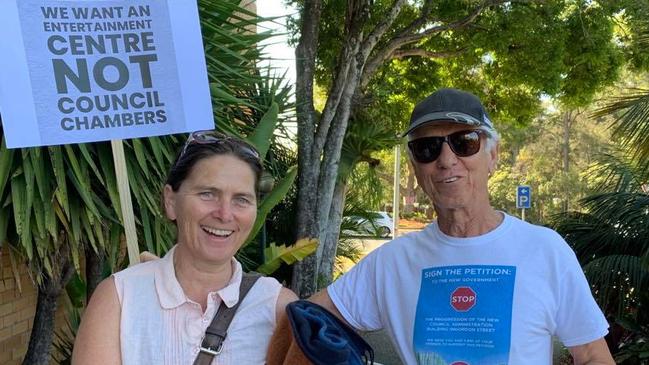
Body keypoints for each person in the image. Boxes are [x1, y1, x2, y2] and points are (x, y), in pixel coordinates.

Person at [311, 88, 615, 364]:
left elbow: (592, 355)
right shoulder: (390, 263)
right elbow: (307, 319)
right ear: (415, 167)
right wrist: (269, 293)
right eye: (427, 148)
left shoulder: (545, 249)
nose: (446, 160)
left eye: (464, 142)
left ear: (492, 156)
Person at [72, 131, 297, 364]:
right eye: (208, 194)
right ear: (171, 201)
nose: (225, 214)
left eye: (241, 199)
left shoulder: (277, 307)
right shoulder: (119, 298)